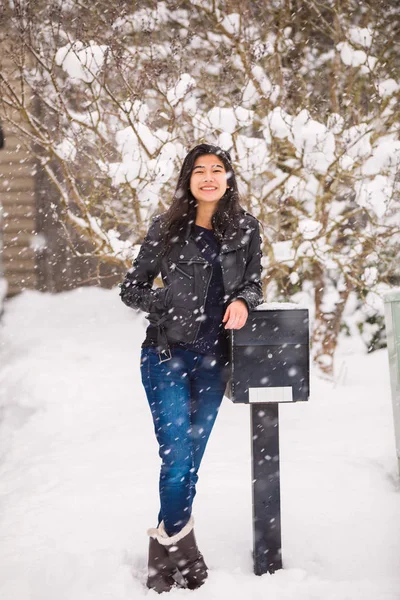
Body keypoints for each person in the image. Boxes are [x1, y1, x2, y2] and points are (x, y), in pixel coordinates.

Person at [119, 143, 263, 593]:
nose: (208, 177)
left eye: (216, 169)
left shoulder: (245, 229)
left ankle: (162, 554)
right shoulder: (165, 229)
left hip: (214, 362)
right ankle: (186, 552)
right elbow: (131, 288)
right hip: (165, 356)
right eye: (199, 170)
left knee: (188, 465)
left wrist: (242, 299)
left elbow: (255, 282)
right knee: (178, 458)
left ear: (228, 178)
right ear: (187, 180)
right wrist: (164, 302)